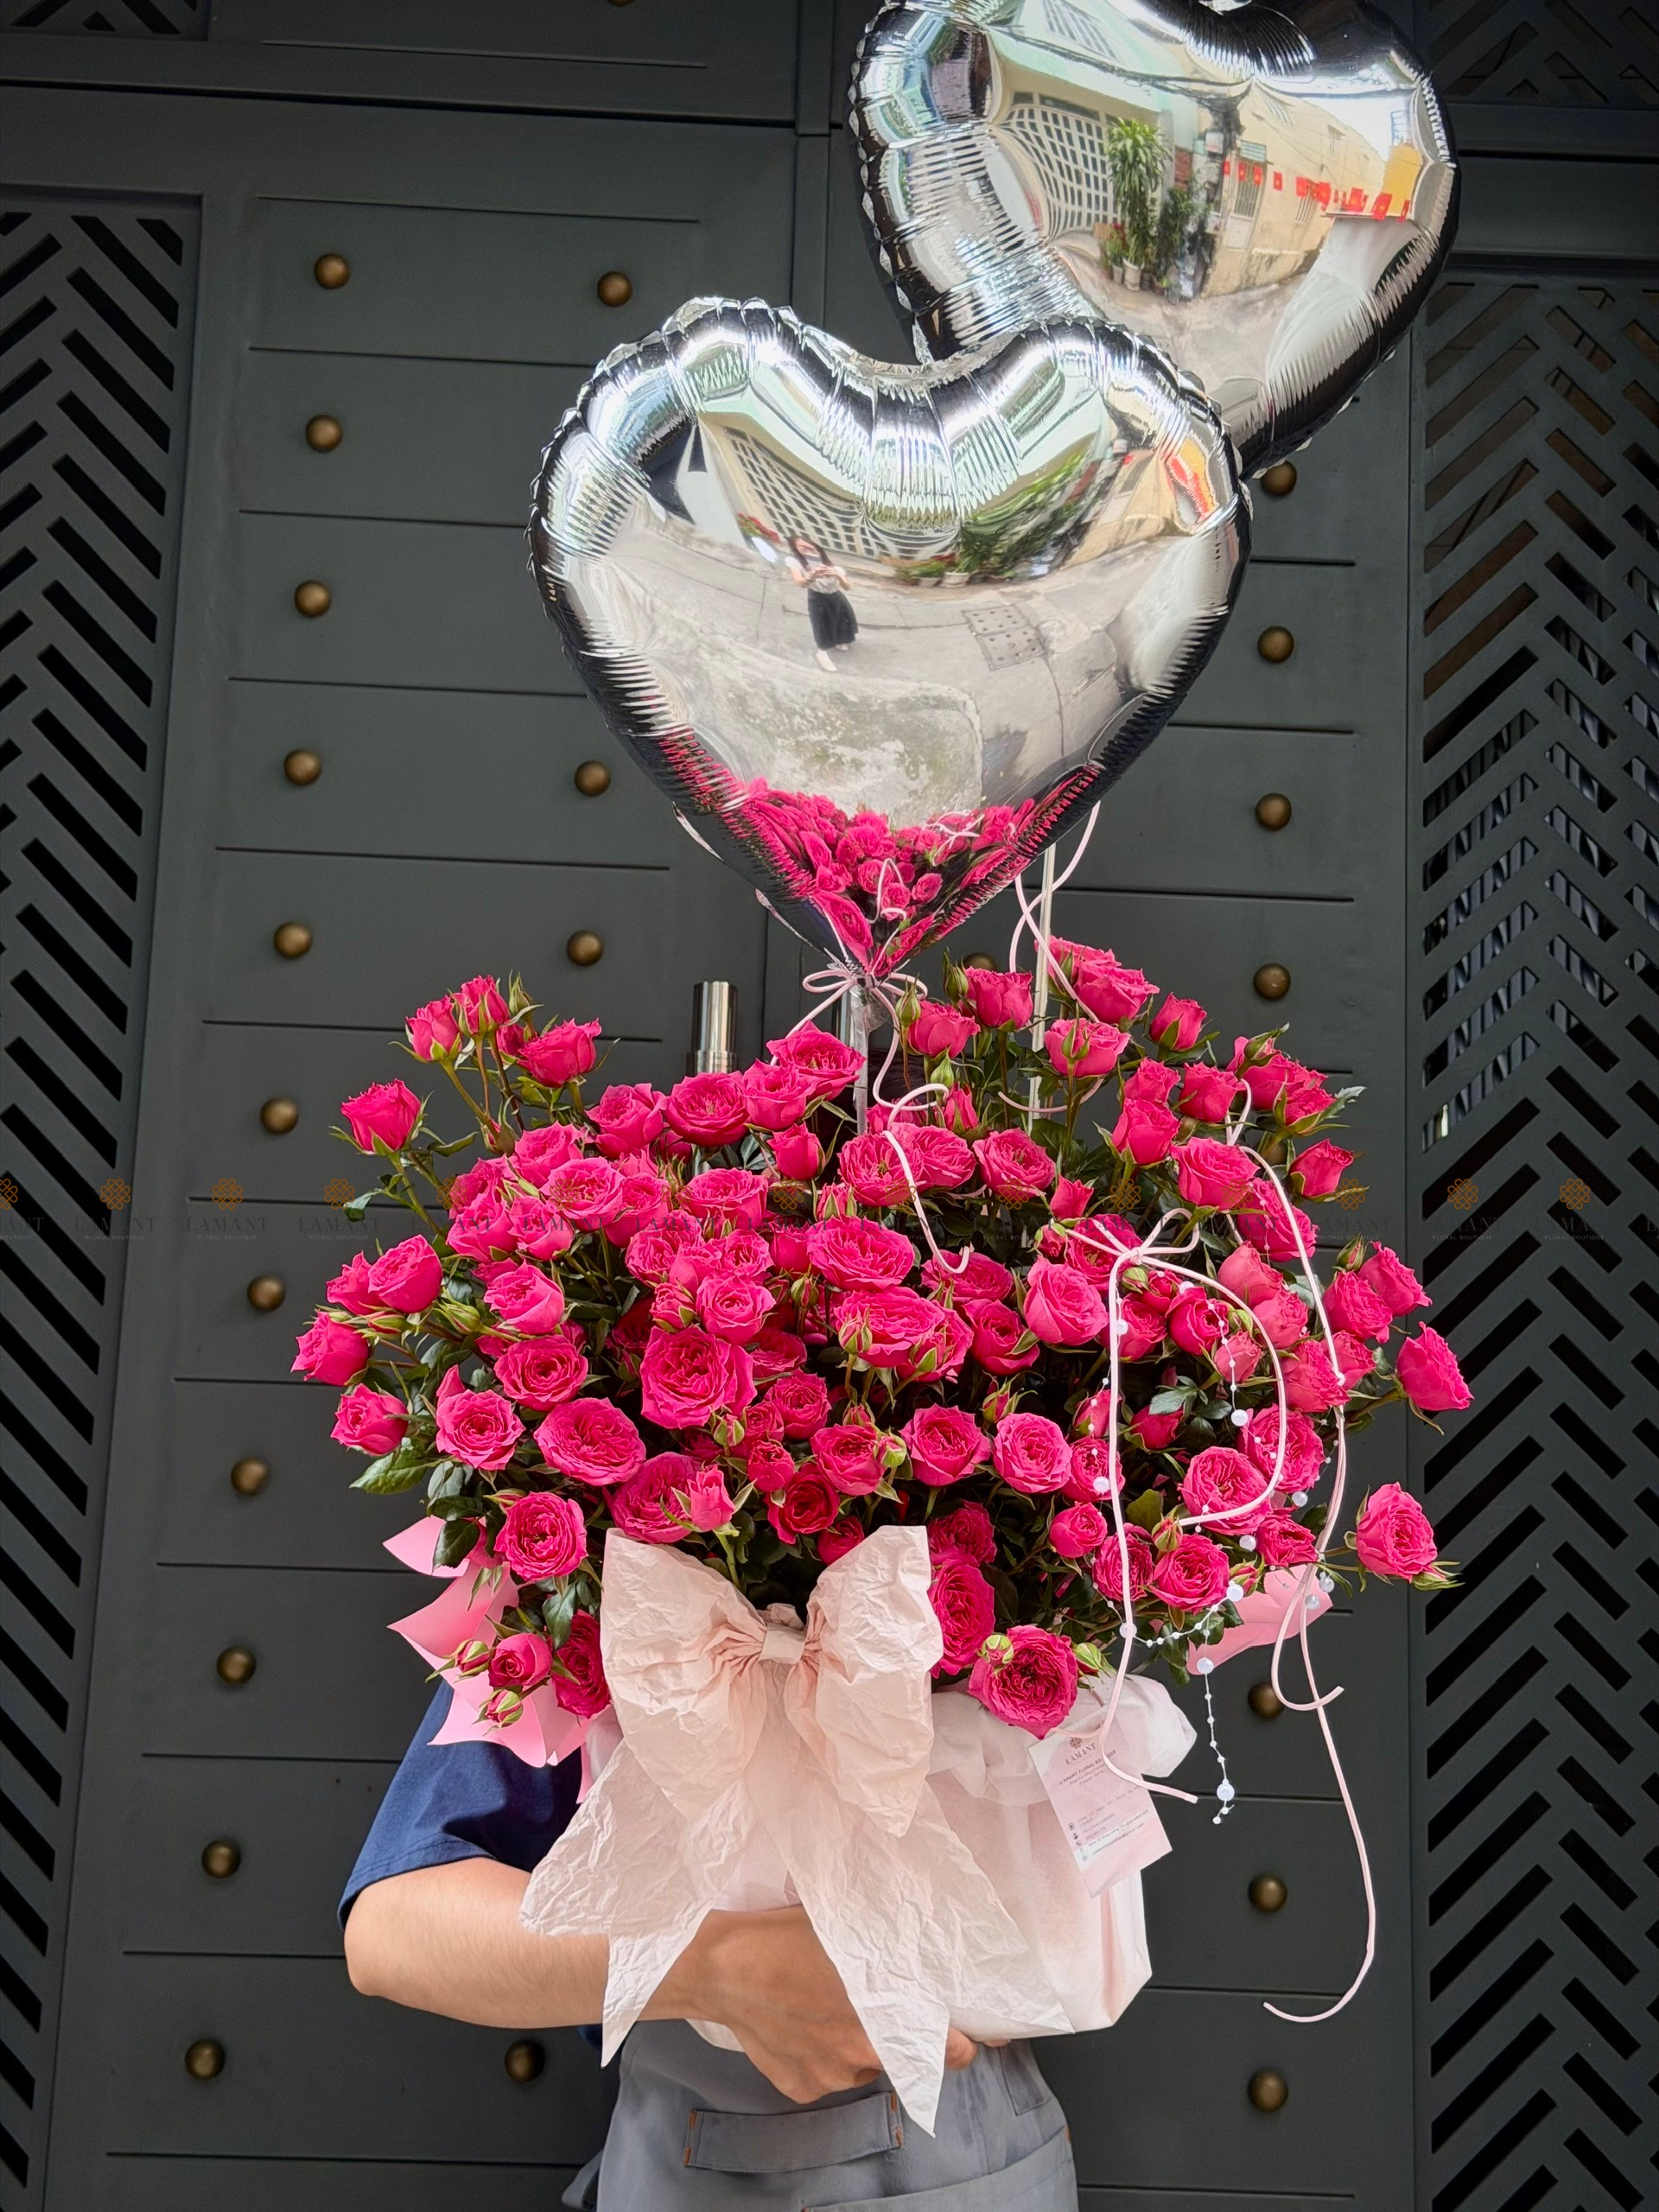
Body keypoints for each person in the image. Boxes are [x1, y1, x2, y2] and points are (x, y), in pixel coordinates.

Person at [342, 1685, 1078, 2209]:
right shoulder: (591, 1564)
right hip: (735, 2163)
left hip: (1003, 2140)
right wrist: (713, 1968)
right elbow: (391, 1926)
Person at [786, 533, 859, 671]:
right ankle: (822, 651)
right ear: (796, 549)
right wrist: (811, 577)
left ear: (819, 551)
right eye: (803, 548)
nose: (809, 552)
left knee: (841, 620)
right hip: (817, 597)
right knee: (821, 624)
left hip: (836, 597)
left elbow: (847, 587)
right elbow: (800, 583)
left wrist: (837, 575)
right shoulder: (797, 564)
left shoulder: (835, 568)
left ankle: (841, 640)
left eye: (812, 549)